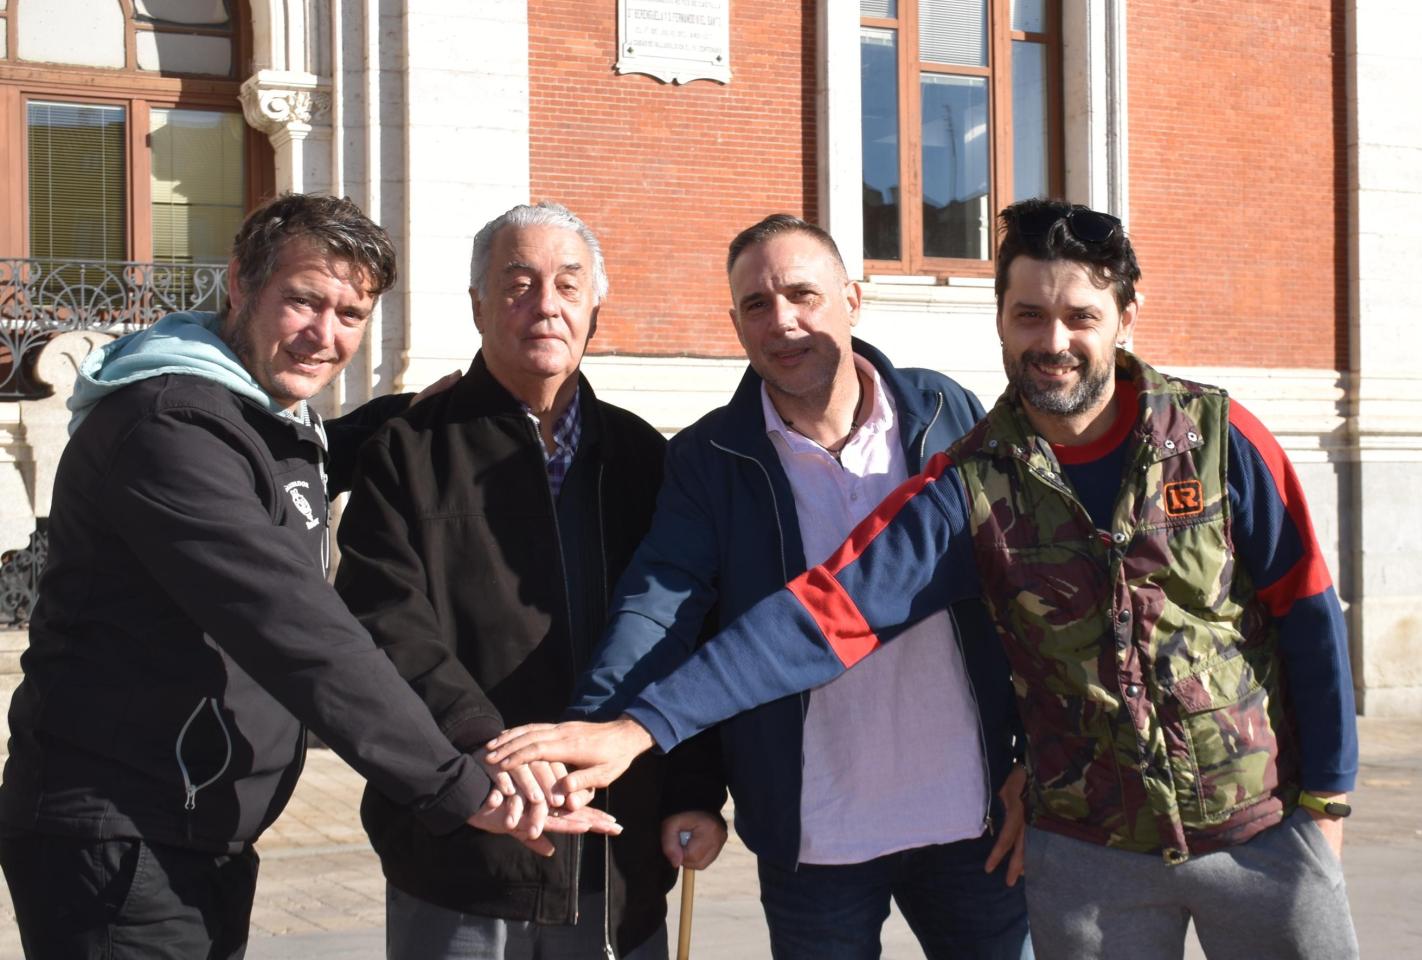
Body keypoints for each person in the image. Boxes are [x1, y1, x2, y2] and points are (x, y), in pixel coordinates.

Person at [490, 198, 1362, 959]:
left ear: (1124, 317)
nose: (1052, 342)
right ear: (1001, 322)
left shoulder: (1212, 434)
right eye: (1027, 316)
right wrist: (632, 729)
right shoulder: (976, 477)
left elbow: (1307, 610)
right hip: (1074, 849)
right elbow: (815, 615)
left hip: (1246, 827)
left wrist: (1326, 798)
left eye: (1078, 317)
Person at [0, 193, 602, 959]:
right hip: (120, 834)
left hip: (192, 823)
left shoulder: (252, 412)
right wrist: (454, 784)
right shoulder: (165, 426)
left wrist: (397, 423)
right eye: (304, 301)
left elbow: (287, 466)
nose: (325, 335)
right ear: (241, 287)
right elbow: (298, 629)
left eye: (351, 314)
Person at [570, 214, 1030, 959]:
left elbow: (1028, 595)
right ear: (735, 324)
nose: (782, 321)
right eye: (757, 305)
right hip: (814, 838)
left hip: (972, 822)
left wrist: (1029, 765)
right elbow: (660, 609)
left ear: (853, 297)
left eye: (802, 295)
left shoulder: (950, 415)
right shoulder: (707, 457)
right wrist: (596, 729)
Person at [333, 202, 728, 960]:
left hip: (620, 854)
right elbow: (388, 626)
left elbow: (689, 630)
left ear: (594, 307)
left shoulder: (644, 459)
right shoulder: (409, 452)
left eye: (567, 285)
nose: (545, 305)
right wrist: (498, 754)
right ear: (478, 306)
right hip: (460, 849)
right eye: (517, 284)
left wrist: (693, 794)